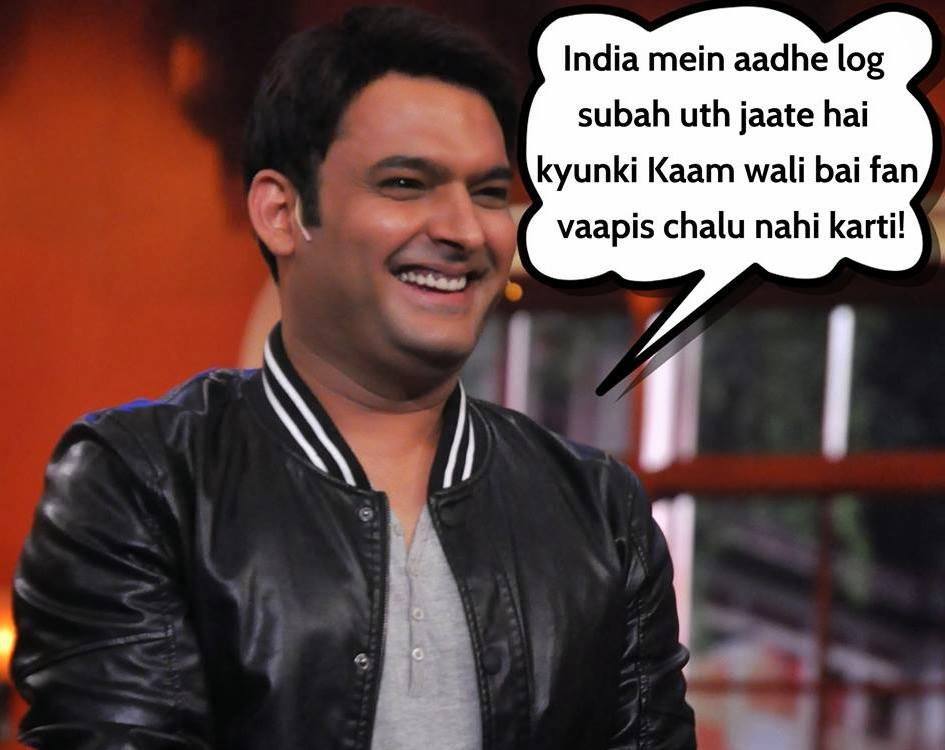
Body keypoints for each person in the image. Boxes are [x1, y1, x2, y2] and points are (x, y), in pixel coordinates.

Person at [12, 6, 695, 749]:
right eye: (406, 183)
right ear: (282, 213)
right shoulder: (141, 482)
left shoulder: (600, 512)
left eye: (489, 192)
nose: (465, 230)